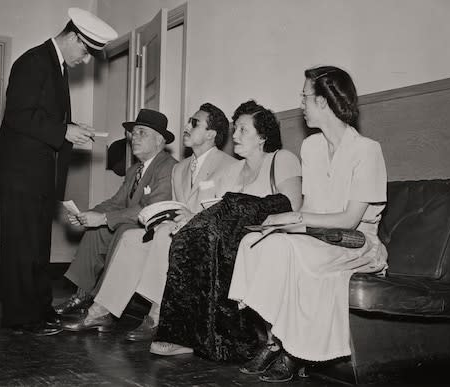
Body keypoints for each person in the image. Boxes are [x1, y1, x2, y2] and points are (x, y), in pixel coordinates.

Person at [228, 66, 388, 382]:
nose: (300, 103)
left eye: (304, 96)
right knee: (255, 242)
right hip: (318, 235)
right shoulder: (311, 147)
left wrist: (295, 218)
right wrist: (286, 225)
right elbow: (313, 208)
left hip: (354, 241)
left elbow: (349, 220)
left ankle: (290, 348)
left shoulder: (367, 151)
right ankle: (276, 338)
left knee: (290, 253)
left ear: (324, 102)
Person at [0, 8, 117, 336]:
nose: (87, 61)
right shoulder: (34, 62)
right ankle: (20, 318)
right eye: (86, 51)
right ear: (74, 37)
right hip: (20, 176)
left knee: (36, 248)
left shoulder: (54, 65)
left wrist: (71, 128)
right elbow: (18, 116)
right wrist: (64, 131)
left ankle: (39, 309)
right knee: (21, 248)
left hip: (37, 177)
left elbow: (40, 117)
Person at [60, 103, 236, 335]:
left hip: (201, 234)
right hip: (172, 228)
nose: (186, 126)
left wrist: (104, 218)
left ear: (211, 134)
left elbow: (226, 210)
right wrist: (90, 215)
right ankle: (99, 309)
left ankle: (155, 314)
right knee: (133, 236)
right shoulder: (181, 168)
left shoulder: (229, 165)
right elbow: (120, 201)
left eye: (194, 123)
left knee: (136, 232)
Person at [150, 100, 303, 359]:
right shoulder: (232, 170)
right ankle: (187, 334)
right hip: (232, 237)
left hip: (270, 234)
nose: (235, 136)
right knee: (187, 238)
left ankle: (228, 338)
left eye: (243, 130)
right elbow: (216, 211)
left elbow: (292, 209)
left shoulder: (281, 159)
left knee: (210, 240)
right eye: (235, 129)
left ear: (262, 137)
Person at [54, 109, 178, 325]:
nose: (133, 138)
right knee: (98, 230)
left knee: (121, 230)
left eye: (141, 133)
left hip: (154, 229)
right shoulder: (134, 171)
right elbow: (115, 202)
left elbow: (150, 208)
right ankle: (82, 295)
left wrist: (103, 219)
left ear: (159, 141)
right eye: (133, 133)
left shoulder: (168, 167)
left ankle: (104, 307)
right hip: (134, 223)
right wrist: (89, 215)